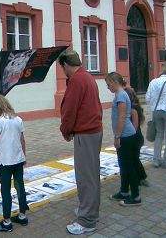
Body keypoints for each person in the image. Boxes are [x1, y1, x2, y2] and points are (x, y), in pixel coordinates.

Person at [58, 50, 103, 235]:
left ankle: (87, 220)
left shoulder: (77, 80)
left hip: (86, 132)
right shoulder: (87, 77)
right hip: (92, 130)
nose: (63, 72)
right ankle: (89, 211)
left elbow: (70, 109)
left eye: (62, 68)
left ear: (66, 65)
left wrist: (66, 130)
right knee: (91, 175)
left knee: (86, 177)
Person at [0, 95, 29, 232]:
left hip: (6, 161)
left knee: (5, 190)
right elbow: (22, 140)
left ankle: (6, 222)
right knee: (20, 186)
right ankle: (22, 215)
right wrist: (24, 156)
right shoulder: (18, 119)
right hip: (18, 159)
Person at [105, 72, 141, 207]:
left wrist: (117, 136)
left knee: (128, 166)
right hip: (126, 135)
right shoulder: (121, 95)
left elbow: (122, 117)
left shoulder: (121, 96)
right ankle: (124, 191)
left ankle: (135, 196)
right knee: (124, 166)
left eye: (108, 84)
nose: (108, 87)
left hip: (125, 136)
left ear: (114, 82)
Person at [146, 65, 166, 169]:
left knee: (159, 135)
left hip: (156, 111)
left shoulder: (153, 82)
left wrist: (153, 106)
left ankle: (156, 160)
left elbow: (147, 98)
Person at [125, 86, 149, 187]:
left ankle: (141, 178)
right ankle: (141, 177)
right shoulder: (134, 106)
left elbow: (134, 127)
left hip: (135, 138)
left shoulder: (133, 109)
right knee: (135, 158)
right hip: (137, 137)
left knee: (134, 159)